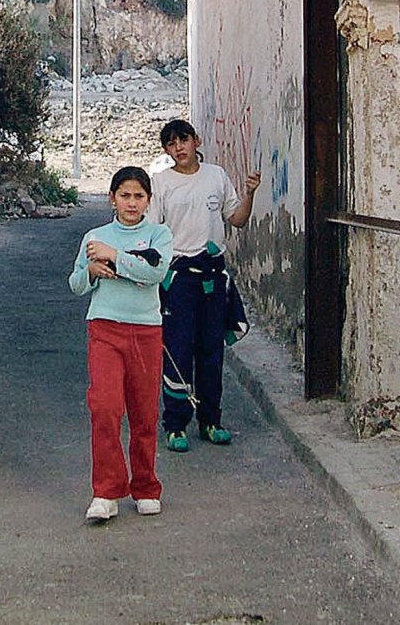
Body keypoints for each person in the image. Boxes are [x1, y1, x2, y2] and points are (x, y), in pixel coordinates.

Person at [148, 119, 260, 453]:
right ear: (166, 150)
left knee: (212, 352)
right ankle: (175, 425)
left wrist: (250, 193)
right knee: (178, 350)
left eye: (183, 140)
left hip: (213, 276)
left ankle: (211, 421)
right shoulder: (161, 183)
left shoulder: (216, 176)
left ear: (196, 140)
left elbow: (237, 219)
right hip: (180, 278)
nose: (178, 148)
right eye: (171, 144)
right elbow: (153, 232)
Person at [69, 166, 174, 522]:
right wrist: (91, 272)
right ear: (112, 198)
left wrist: (113, 256)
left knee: (144, 413)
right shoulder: (94, 236)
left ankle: (146, 486)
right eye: (125, 195)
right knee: (105, 407)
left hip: (146, 331)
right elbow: (75, 284)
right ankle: (106, 491)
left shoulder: (159, 234)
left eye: (138, 196)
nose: (131, 203)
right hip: (105, 328)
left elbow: (155, 273)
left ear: (148, 200)